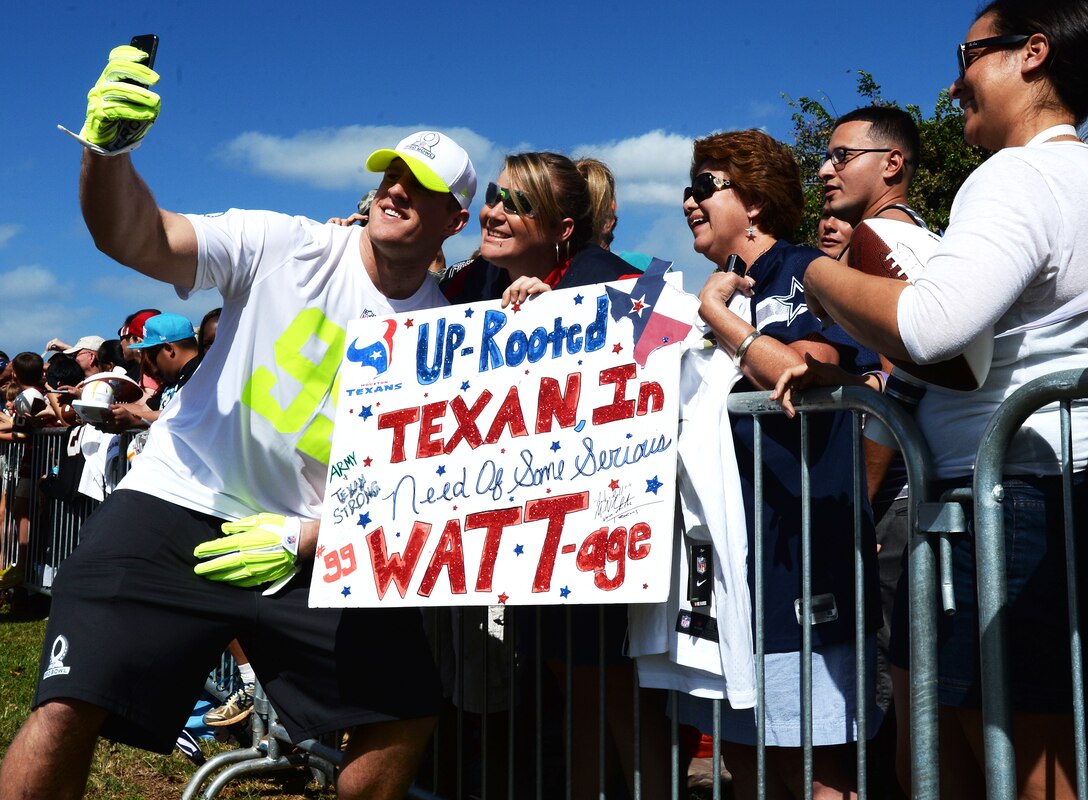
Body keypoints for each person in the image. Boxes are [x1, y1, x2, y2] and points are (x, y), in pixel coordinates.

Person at [0, 40, 475, 800]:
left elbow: (415, 478)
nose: (394, 190)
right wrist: (108, 152)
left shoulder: (446, 333)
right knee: (65, 701)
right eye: (389, 173)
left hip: (306, 548)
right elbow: (138, 237)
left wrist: (306, 537)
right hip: (177, 501)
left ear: (455, 219)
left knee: (405, 711)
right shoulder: (287, 243)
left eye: (419, 186)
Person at [783, 2, 1088, 796]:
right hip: (1038, 488)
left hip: (1008, 497)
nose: (955, 84)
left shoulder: (1015, 174)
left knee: (1007, 754)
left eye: (968, 54)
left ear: (1033, 53)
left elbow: (933, 326)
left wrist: (805, 269)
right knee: (1028, 744)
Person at [679, 129, 880, 799]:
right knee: (748, 767)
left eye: (704, 186)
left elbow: (806, 368)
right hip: (733, 573)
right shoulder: (695, 297)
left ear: (756, 202)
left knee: (816, 771)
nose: (687, 202)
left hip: (802, 564)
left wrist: (721, 318)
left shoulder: (804, 270)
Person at [440, 152, 636, 305]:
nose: (493, 214)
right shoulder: (466, 283)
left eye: (518, 204)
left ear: (561, 229)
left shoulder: (620, 284)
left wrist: (562, 316)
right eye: (493, 196)